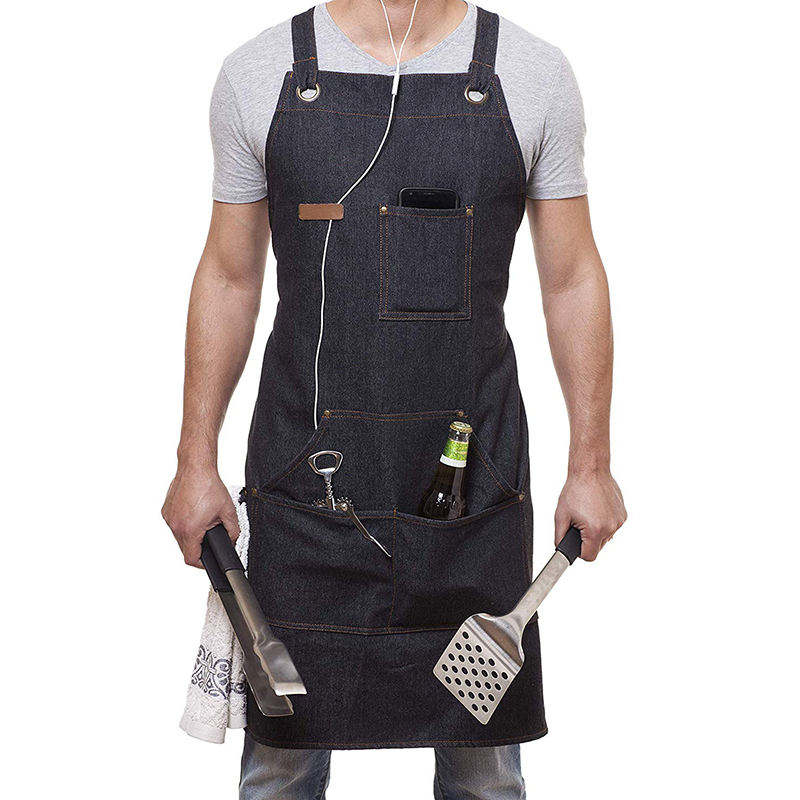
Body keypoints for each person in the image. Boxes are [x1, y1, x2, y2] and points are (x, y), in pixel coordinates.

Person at [162, 1, 627, 796]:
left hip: (469, 482)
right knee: (281, 769)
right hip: (306, 488)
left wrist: (592, 464)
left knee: (484, 775)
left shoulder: (532, 75)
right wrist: (192, 460)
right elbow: (230, 277)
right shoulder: (259, 73)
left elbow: (572, 278)